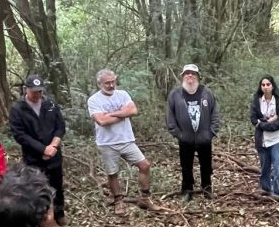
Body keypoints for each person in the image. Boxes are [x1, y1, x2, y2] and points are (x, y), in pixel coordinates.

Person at [87, 69, 156, 213]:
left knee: (144, 165)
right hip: (107, 143)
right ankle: (118, 201)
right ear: (100, 84)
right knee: (113, 173)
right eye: (107, 83)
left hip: (126, 140)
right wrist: (122, 113)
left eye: (113, 81)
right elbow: (102, 121)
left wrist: (111, 114)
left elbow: (133, 111)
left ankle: (145, 198)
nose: (111, 85)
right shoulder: (94, 100)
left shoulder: (123, 94)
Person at [9, 74, 66, 227]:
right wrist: (42, 149)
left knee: (57, 185)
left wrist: (53, 146)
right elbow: (19, 134)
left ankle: (59, 213)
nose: (37, 95)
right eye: (34, 91)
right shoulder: (18, 108)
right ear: (26, 89)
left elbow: (60, 127)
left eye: (40, 91)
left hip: (54, 154)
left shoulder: (50, 104)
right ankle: (43, 217)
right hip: (33, 156)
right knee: (37, 186)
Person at [165, 64, 221, 200]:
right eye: (187, 73)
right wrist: (178, 134)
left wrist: (211, 133)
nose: (190, 76)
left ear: (198, 77)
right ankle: (187, 190)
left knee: (206, 165)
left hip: (204, 137)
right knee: (186, 166)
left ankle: (207, 188)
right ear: (183, 77)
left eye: (193, 73)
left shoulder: (206, 93)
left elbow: (215, 114)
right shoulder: (176, 94)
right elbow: (169, 116)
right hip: (185, 138)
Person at [250, 75, 279, 198]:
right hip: (262, 141)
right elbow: (253, 119)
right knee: (265, 168)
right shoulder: (257, 101)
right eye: (263, 85)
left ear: (272, 86)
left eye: (268, 84)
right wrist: (269, 121)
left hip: (277, 140)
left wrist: (262, 123)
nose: (266, 87)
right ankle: (266, 190)